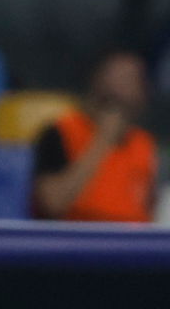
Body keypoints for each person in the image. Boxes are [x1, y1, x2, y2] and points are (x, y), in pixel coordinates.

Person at [32, 50, 157, 222]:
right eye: (119, 77)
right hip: (78, 234)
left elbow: (150, 210)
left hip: (132, 236)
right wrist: (102, 140)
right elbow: (51, 203)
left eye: (133, 79)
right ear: (97, 81)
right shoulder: (63, 131)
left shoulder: (144, 145)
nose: (125, 86)